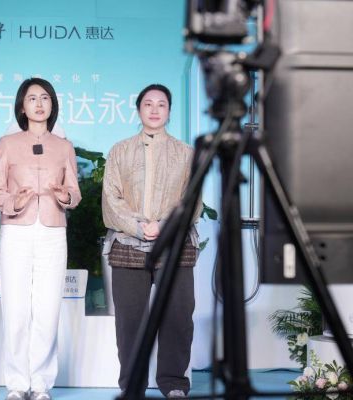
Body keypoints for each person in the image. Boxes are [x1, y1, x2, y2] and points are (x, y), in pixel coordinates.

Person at [102, 84, 201, 398]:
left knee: (178, 316)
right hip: (128, 244)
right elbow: (111, 198)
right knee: (130, 321)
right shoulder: (120, 150)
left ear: (169, 111)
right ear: (138, 109)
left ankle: (174, 383)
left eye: (161, 104)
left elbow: (192, 200)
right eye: (148, 103)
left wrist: (164, 225)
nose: (155, 109)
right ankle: (133, 385)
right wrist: (138, 226)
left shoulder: (186, 153)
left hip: (175, 245)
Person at [0, 78, 82, 400]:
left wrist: (65, 196)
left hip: (52, 232)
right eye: (32, 98)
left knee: (47, 310)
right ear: (22, 106)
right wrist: (12, 202)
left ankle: (40, 384)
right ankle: (17, 384)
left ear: (53, 104)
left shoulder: (64, 147)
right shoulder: (8, 143)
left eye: (45, 98)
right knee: (15, 308)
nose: (39, 104)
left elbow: (75, 192)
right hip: (16, 230)